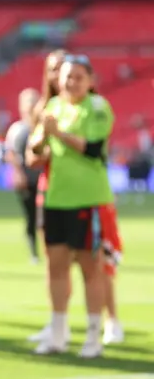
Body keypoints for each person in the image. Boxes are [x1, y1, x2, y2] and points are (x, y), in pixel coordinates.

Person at [27, 53, 124, 347]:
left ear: (91, 80)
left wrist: (58, 133)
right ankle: (58, 333)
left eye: (78, 77)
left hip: (88, 199)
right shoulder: (52, 106)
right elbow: (36, 148)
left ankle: (94, 334)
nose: (71, 82)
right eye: (67, 76)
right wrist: (40, 140)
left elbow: (93, 148)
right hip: (56, 198)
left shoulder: (96, 107)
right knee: (56, 266)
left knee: (90, 268)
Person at [5, 88, 41, 263]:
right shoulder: (17, 129)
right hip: (26, 180)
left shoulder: (43, 127)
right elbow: (10, 153)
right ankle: (33, 251)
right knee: (31, 217)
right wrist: (18, 173)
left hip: (43, 179)